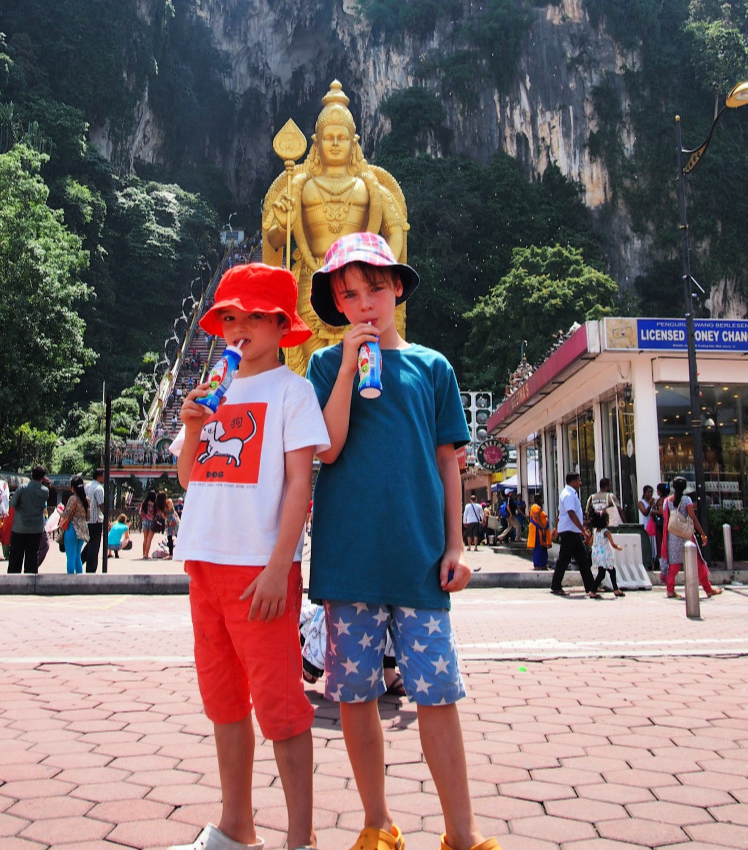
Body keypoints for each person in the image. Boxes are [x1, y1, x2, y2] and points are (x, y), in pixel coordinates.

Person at [306, 232, 501, 850]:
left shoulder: (432, 367)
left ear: (396, 289)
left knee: (438, 696)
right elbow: (328, 447)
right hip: (350, 560)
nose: (363, 305)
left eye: (374, 290)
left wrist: (456, 547)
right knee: (357, 696)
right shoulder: (321, 366)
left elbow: (450, 463)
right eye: (349, 295)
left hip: (419, 558)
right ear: (338, 306)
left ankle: (462, 834)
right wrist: (344, 367)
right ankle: (376, 823)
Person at [167, 262, 329, 850]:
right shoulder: (218, 388)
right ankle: (237, 824)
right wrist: (190, 428)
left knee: (281, 705)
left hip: (259, 568)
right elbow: (190, 477)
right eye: (229, 317)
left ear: (281, 324)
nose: (238, 328)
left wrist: (279, 567)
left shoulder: (292, 390)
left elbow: (298, 485)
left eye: (253, 317)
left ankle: (300, 838)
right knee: (224, 699)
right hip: (203, 561)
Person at [263, 81, 408, 377]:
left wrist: (380, 268)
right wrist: (282, 222)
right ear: (317, 143)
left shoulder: (370, 186)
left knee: (364, 363)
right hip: (311, 283)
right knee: (313, 368)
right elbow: (275, 241)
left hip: (359, 288)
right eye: (328, 137)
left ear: (353, 142)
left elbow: (395, 229)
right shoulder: (300, 185)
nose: (335, 143)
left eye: (342, 137)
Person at [661, 476, 722, 600]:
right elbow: (693, 518)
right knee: (698, 562)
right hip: (686, 536)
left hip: (672, 536)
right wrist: (702, 534)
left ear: (673, 487)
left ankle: (670, 590)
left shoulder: (667, 501)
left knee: (674, 564)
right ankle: (708, 589)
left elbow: (665, 518)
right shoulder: (687, 500)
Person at [551, 472, 596, 597]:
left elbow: (560, 513)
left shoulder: (571, 494)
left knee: (583, 560)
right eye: (578, 481)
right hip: (569, 531)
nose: (580, 483)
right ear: (573, 482)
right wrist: (583, 530)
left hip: (573, 531)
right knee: (564, 559)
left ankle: (590, 587)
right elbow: (571, 514)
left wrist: (556, 527)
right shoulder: (568, 495)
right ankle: (555, 586)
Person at [8, 466, 49, 574]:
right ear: (43, 477)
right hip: (36, 528)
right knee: (32, 555)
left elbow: (12, 504)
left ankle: (13, 580)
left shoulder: (22, 488)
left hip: (19, 527)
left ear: (31, 474)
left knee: (16, 555)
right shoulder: (45, 491)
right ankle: (31, 581)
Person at [589, 508, 624, 597]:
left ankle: (614, 589)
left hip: (597, 555)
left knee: (603, 573)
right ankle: (594, 591)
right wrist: (618, 547)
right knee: (610, 571)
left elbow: (591, 542)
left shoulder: (595, 531)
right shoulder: (606, 532)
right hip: (605, 555)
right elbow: (612, 544)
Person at [59, 475, 89, 575]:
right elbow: (88, 517)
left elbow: (66, 514)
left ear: (73, 487)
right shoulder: (86, 500)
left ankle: (70, 580)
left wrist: (59, 510)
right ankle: (80, 580)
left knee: (70, 557)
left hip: (72, 529)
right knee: (77, 557)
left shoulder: (73, 499)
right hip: (83, 530)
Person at [82, 468, 105, 573]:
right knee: (94, 546)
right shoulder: (99, 488)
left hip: (87, 520)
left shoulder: (87, 486)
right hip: (96, 520)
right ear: (99, 476)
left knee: (90, 543)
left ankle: (80, 560)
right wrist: (107, 518)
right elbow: (101, 505)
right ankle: (91, 569)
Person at [527, 493, 551, 570]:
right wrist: (542, 527)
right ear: (539, 499)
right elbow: (537, 517)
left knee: (543, 548)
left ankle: (543, 563)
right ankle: (538, 564)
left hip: (541, 531)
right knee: (538, 548)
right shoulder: (535, 507)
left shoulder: (539, 507)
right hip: (537, 531)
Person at [652, 482, 669, 580]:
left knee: (661, 544)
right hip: (668, 524)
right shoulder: (670, 499)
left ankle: (663, 566)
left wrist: (653, 511)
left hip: (661, 525)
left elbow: (661, 511)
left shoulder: (661, 501)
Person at [638, 484, 656, 568]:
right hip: (645, 527)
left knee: (653, 546)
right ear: (644, 493)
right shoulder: (641, 502)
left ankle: (654, 562)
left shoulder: (653, 503)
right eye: (648, 492)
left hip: (652, 528)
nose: (650, 494)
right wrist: (650, 505)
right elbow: (645, 513)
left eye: (651, 492)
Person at [140, 490, 157, 559]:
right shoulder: (155, 504)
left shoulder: (144, 503)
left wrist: (145, 517)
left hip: (145, 521)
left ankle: (144, 554)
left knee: (145, 539)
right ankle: (147, 554)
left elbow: (141, 512)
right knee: (149, 539)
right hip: (152, 522)